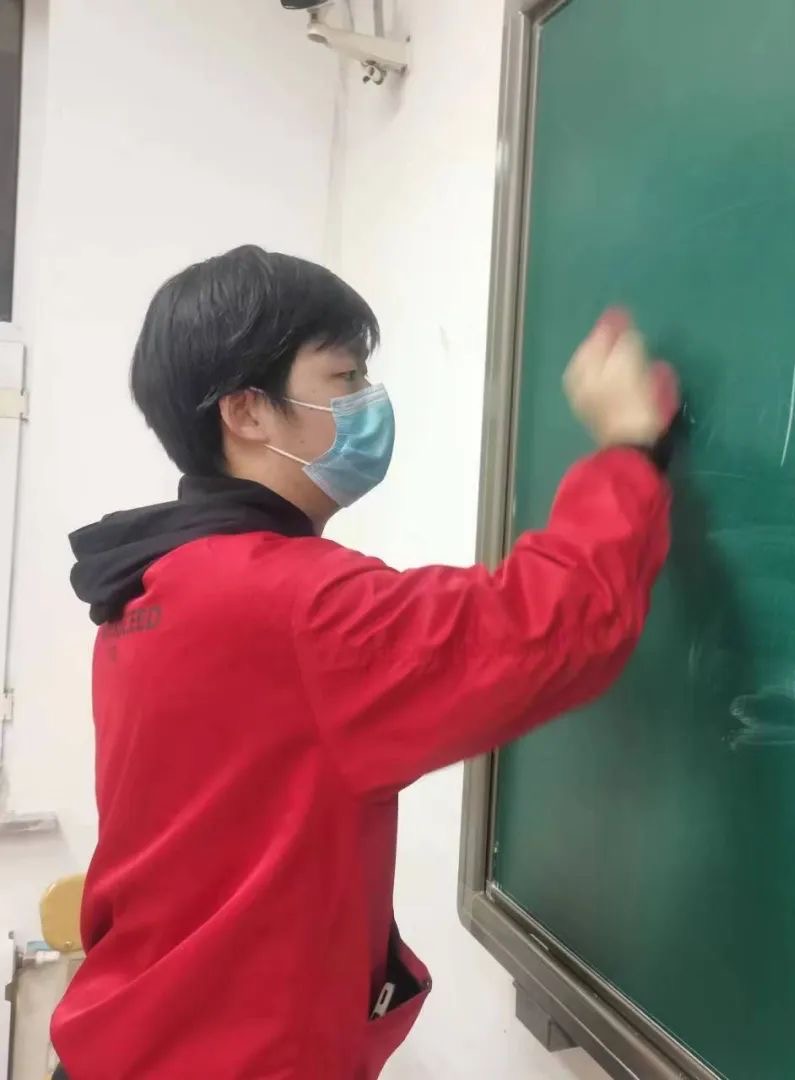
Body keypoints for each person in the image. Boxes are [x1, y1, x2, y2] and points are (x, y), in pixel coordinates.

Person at [52, 245, 678, 1079]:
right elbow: (554, 625)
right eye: (344, 377)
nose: (368, 400)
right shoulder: (288, 606)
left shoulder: (151, 591)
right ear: (247, 411)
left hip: (130, 1045)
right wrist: (628, 450)